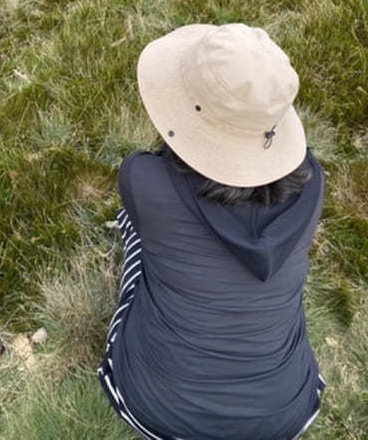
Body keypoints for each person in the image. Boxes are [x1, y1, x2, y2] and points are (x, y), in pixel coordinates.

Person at [98, 23, 326, 440]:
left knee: (137, 238)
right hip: (287, 413)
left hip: (159, 412)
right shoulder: (314, 182)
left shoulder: (143, 178)